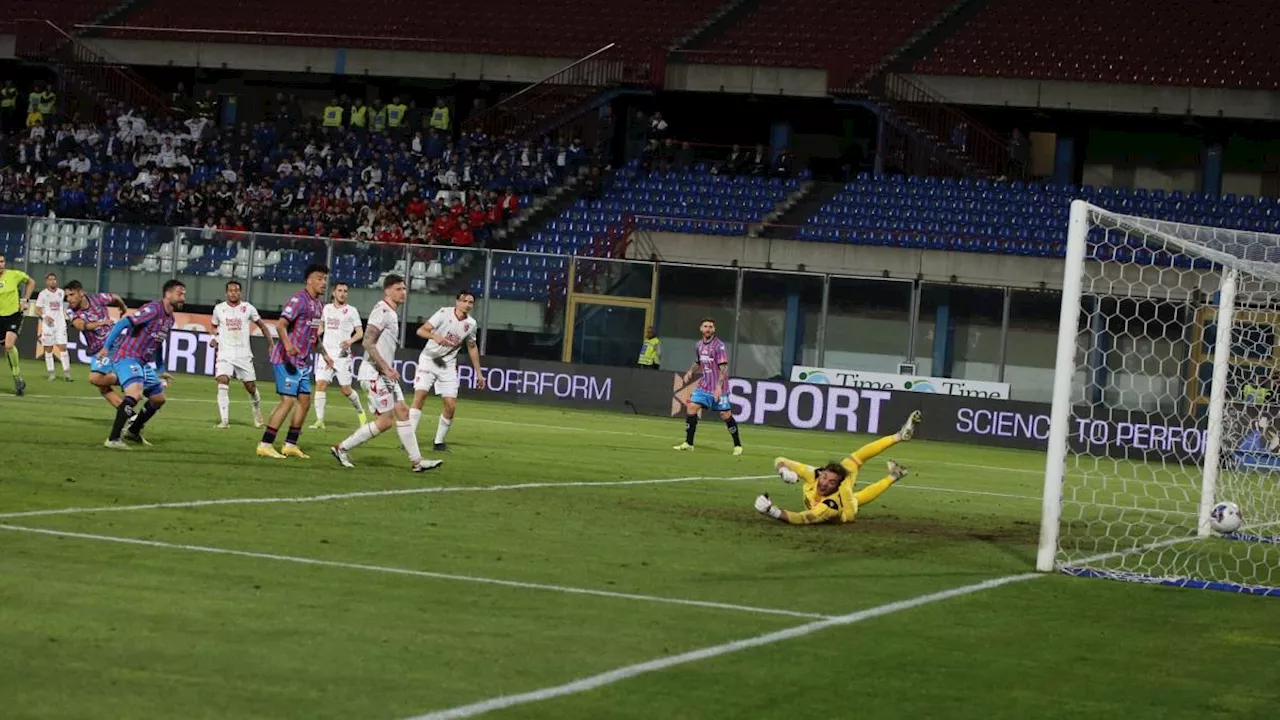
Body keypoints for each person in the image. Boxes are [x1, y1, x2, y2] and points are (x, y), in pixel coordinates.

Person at [330, 275, 443, 472]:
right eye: (399, 289)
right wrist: (387, 367)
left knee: (403, 411)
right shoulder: (382, 310)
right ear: (387, 291)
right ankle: (341, 448)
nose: (403, 292)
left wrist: (387, 368)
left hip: (382, 373)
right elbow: (367, 342)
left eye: (405, 289)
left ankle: (417, 461)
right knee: (384, 422)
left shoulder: (391, 312)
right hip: (373, 373)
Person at [754, 412, 921, 524]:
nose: (825, 483)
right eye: (825, 477)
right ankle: (899, 437)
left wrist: (772, 511)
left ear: (837, 486)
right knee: (856, 458)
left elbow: (802, 518)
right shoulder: (815, 475)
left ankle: (893, 476)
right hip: (842, 487)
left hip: (846, 510)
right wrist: (784, 471)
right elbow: (780, 459)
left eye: (831, 482)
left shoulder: (830, 506)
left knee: (855, 500)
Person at [257, 264, 333, 459]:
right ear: (309, 280)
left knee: (305, 401)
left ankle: (290, 444)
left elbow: (314, 335)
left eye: (325, 279)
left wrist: (324, 354)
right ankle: (265, 444)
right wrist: (288, 345)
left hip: (303, 361)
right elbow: (281, 325)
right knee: (288, 401)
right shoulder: (298, 299)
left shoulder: (319, 305)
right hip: (285, 359)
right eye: (319, 278)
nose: (323, 282)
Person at [99, 280, 185, 448]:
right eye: (180, 293)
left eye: (184, 294)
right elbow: (124, 323)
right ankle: (113, 439)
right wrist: (106, 347)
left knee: (159, 399)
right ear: (168, 294)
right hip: (127, 356)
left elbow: (159, 343)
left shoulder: (170, 319)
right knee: (135, 394)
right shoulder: (153, 309)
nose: (183, 297)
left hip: (142, 363)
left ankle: (133, 431)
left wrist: (161, 368)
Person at [409, 290, 485, 452]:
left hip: (447, 365)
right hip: (429, 360)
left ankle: (438, 442)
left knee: (450, 405)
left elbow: (472, 347)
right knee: (420, 396)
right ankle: (408, 439)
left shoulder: (471, 324)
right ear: (457, 302)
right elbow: (421, 330)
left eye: (470, 302)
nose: (467, 305)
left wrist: (478, 373)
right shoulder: (443, 313)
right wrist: (434, 336)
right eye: (464, 301)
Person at [673, 317, 742, 455]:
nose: (708, 329)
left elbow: (723, 368)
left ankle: (737, 445)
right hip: (704, 385)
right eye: (705, 326)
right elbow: (698, 362)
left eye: (710, 326)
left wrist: (718, 388)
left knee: (725, 414)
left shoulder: (719, 346)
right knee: (692, 407)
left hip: (718, 387)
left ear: (714, 329)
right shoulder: (698, 345)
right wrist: (690, 371)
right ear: (701, 329)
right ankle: (689, 443)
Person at [210, 280, 273, 429]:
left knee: (250, 387)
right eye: (231, 290)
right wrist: (214, 338)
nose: (233, 293)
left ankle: (256, 410)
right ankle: (224, 421)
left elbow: (262, 326)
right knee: (222, 379)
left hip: (243, 354)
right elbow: (213, 325)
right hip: (225, 353)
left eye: (236, 290)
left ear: (240, 292)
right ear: (226, 293)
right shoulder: (219, 309)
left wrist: (271, 343)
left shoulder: (248, 308)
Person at [311, 282, 367, 429]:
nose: (343, 293)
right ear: (334, 293)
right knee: (320, 384)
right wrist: (313, 335)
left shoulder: (351, 311)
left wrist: (350, 340)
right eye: (340, 290)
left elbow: (360, 332)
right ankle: (319, 421)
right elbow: (322, 327)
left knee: (345, 389)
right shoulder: (326, 308)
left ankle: (361, 413)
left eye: (345, 291)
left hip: (342, 355)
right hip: (326, 353)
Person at [65, 280, 128, 408]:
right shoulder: (70, 311)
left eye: (71, 295)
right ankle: (130, 415)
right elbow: (81, 326)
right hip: (97, 351)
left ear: (81, 293)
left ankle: (127, 379)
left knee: (95, 379)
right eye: (67, 296)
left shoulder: (97, 299)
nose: (69, 299)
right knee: (103, 387)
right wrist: (101, 323)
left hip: (110, 345)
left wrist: (123, 307)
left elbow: (114, 297)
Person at [0, 253, 36, 396]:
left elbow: (31, 282)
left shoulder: (14, 275)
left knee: (9, 345)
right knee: (6, 348)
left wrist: (25, 299)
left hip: (13, 315)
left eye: (2, 261)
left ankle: (17, 377)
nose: (0, 264)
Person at [34, 273, 72, 382]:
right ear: (46, 282)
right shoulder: (43, 294)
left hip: (60, 324)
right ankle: (51, 373)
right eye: (50, 280)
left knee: (63, 347)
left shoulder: (61, 292)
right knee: (48, 349)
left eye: (54, 279)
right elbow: (37, 309)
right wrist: (45, 316)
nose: (53, 282)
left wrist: (70, 315)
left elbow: (69, 304)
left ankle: (67, 373)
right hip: (48, 325)